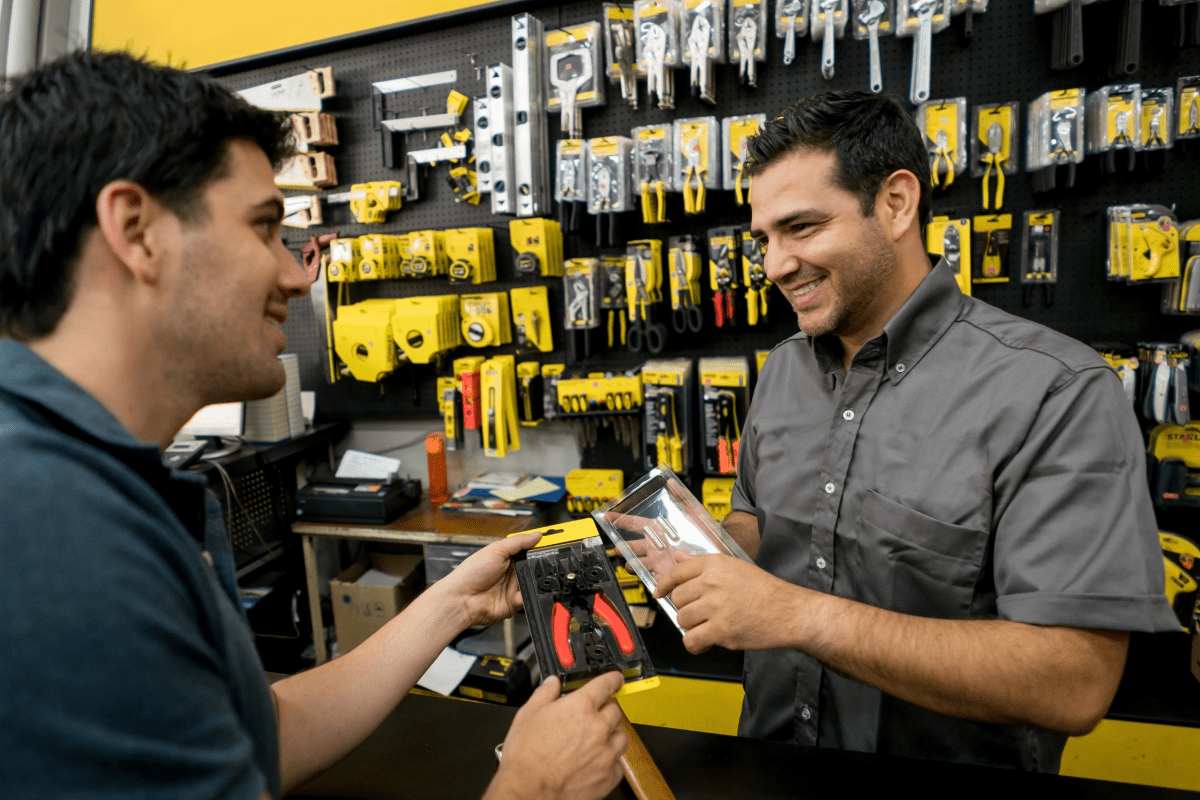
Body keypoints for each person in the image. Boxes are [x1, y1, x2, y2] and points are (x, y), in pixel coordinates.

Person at [0, 51, 626, 800]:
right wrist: (534, 787)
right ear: (136, 231)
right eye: (266, 227)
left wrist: (454, 603)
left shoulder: (82, 480)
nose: (299, 274)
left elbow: (265, 734)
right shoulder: (46, 524)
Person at [653, 91, 1179, 772]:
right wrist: (699, 550)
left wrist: (797, 615)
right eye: (764, 240)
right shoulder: (784, 369)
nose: (776, 265)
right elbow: (761, 521)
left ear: (897, 204)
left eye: (803, 228)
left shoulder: (1055, 392)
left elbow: (1073, 679)